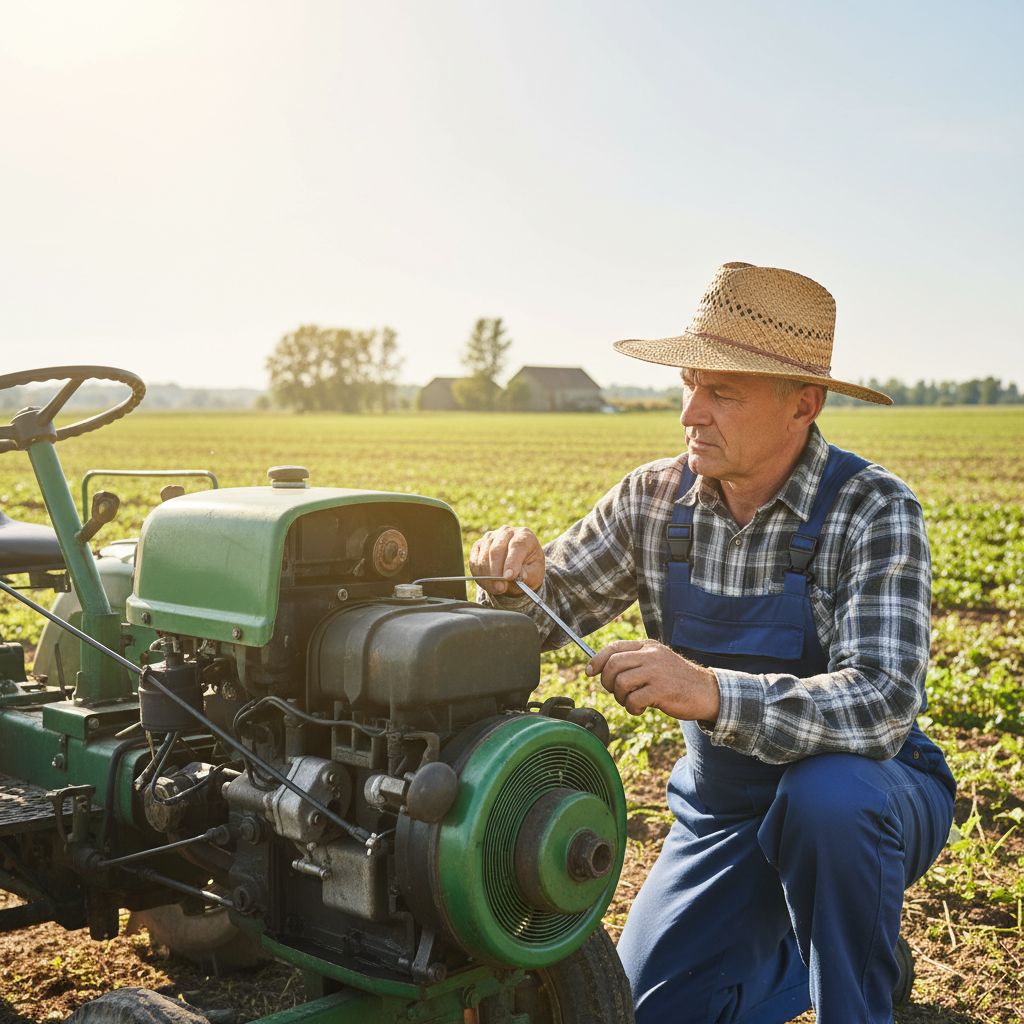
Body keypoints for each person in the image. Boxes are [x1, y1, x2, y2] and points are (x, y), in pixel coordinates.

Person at [471, 262, 956, 1024]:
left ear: (804, 404)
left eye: (721, 392)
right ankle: (850, 951)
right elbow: (544, 611)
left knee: (825, 799)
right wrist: (512, 583)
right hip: (722, 809)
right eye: (689, 386)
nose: (690, 413)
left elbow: (883, 702)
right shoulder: (653, 499)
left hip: (871, 795)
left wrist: (713, 691)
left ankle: (859, 999)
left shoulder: (872, 507)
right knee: (647, 1009)